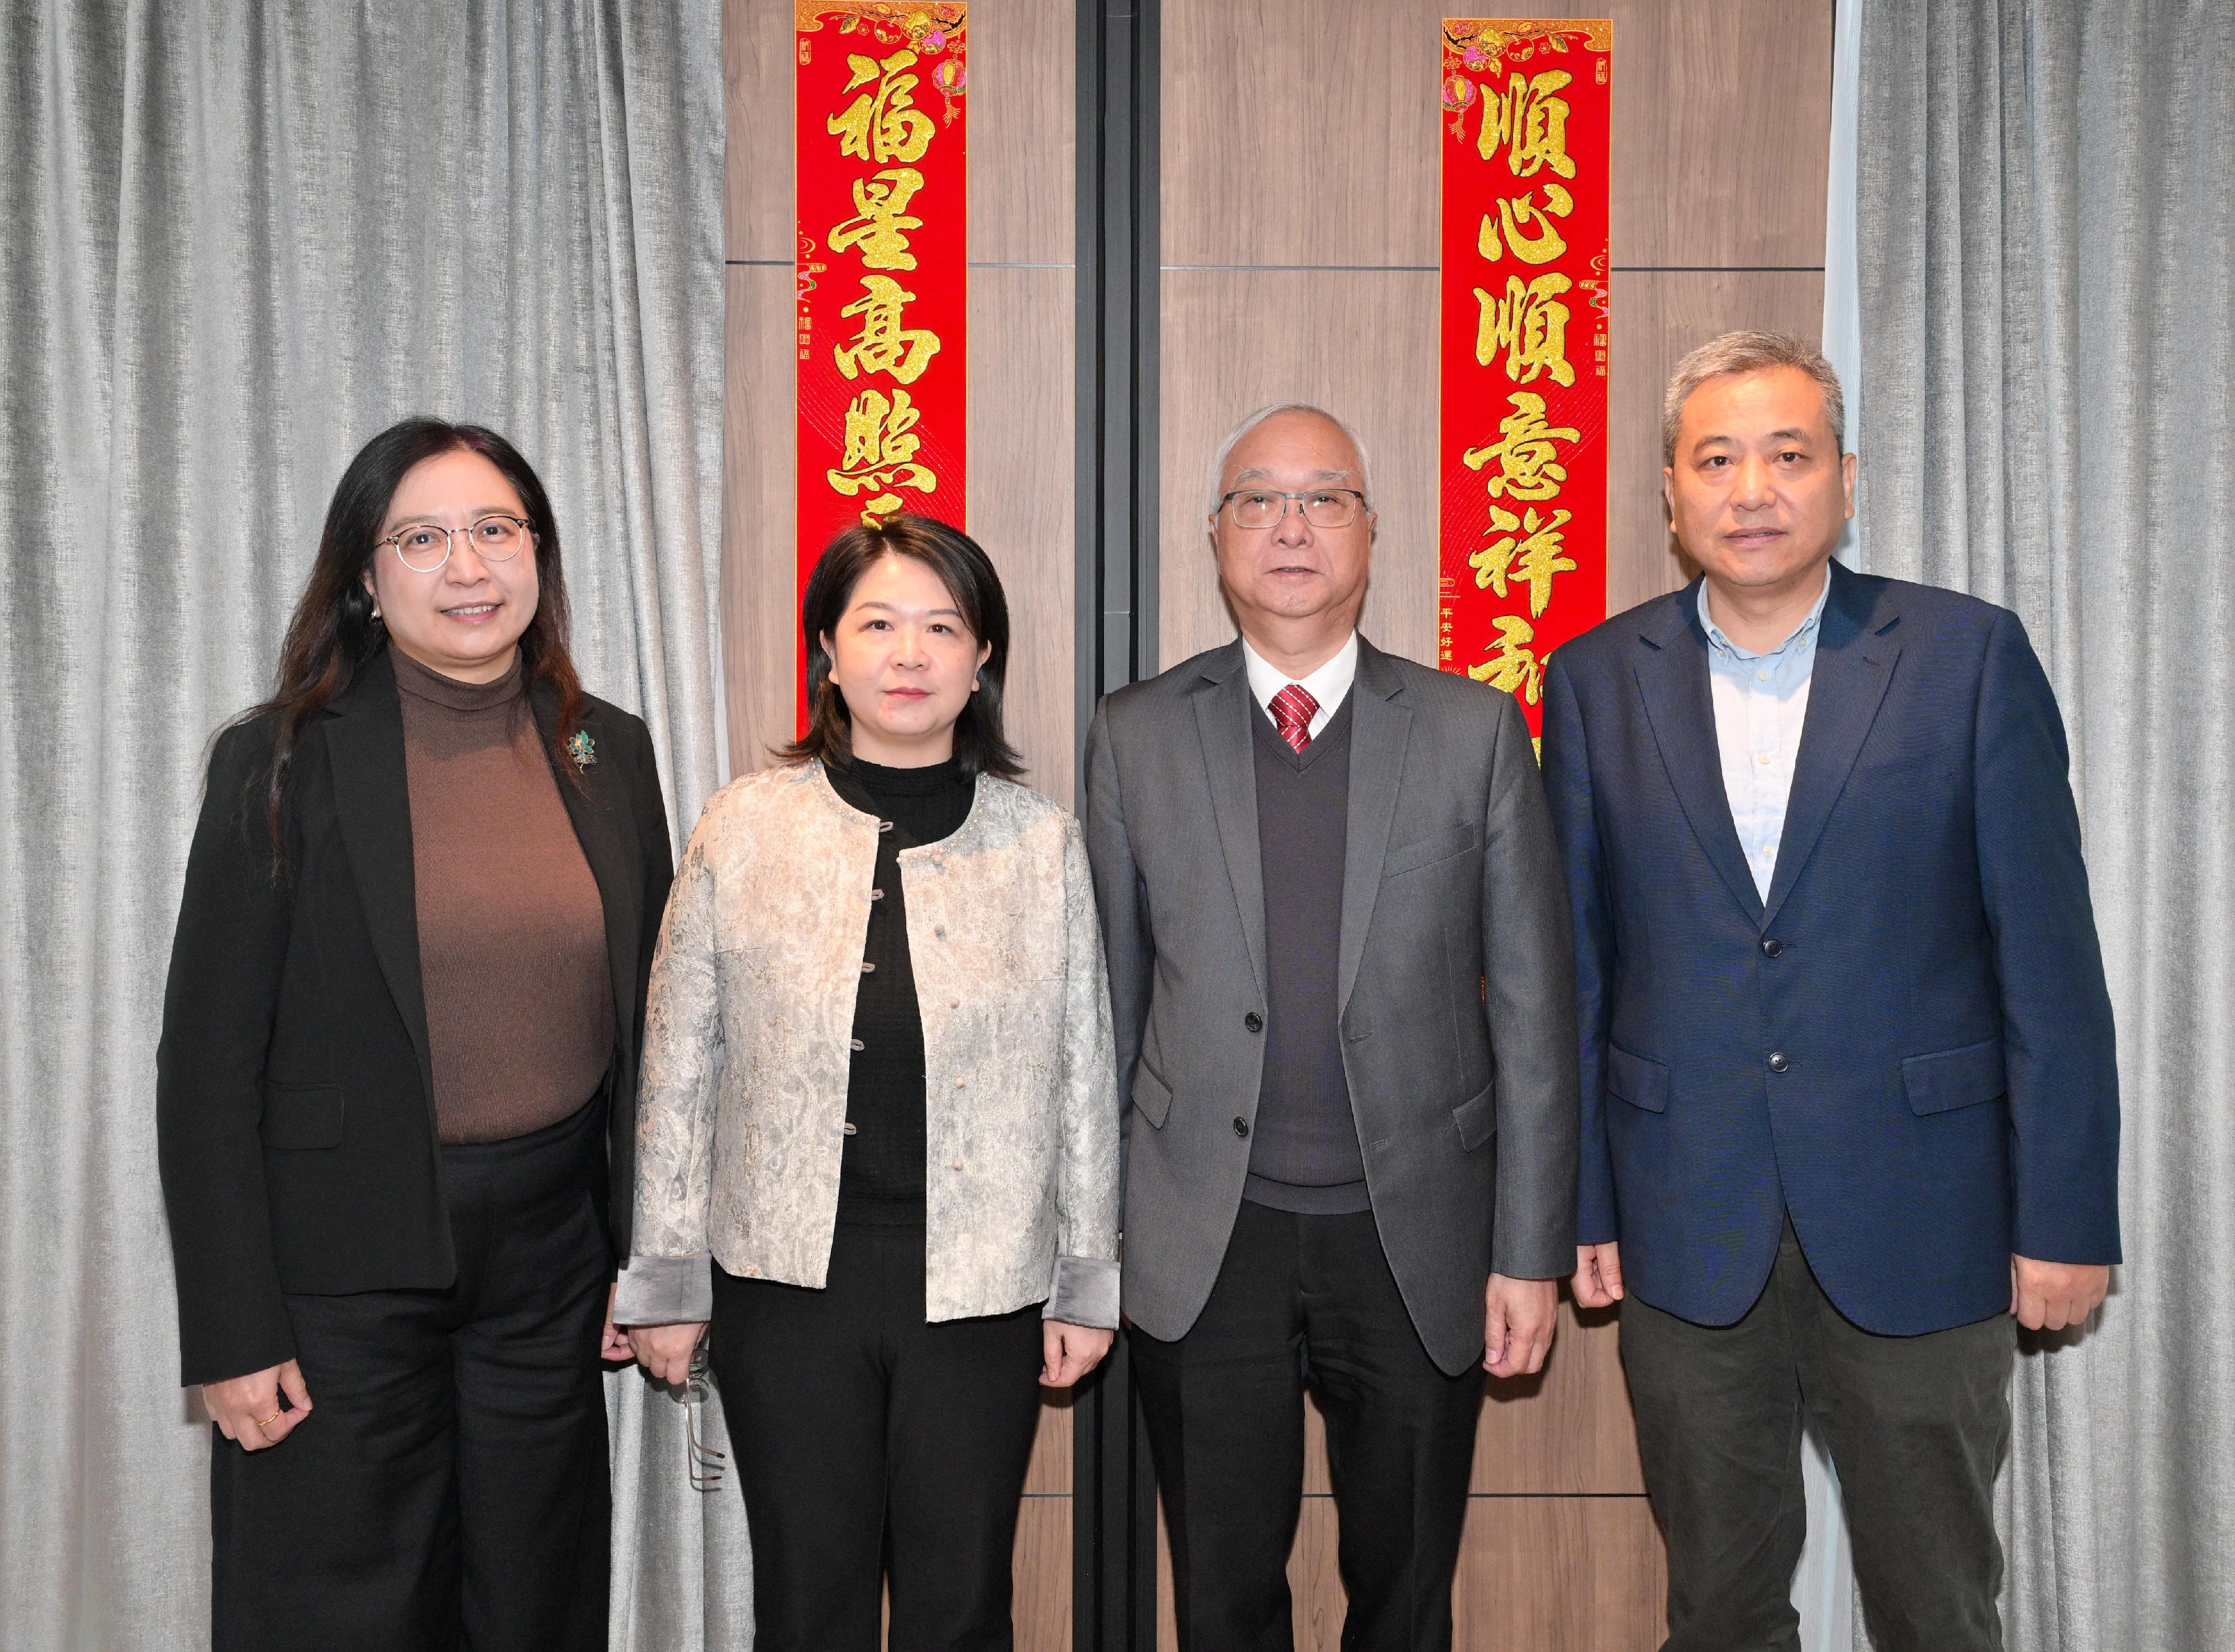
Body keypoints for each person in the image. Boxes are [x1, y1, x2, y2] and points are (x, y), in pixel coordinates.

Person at [1541, 332, 2120, 1651]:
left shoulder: (1964, 657)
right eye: (1716, 459)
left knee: (1935, 1604)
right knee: (1719, 1607)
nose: (1752, 489)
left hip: (1927, 1215)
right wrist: (1580, 1201)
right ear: (1671, 495)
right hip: (1685, 1217)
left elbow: (2049, 964)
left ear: (1844, 481)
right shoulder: (1590, 682)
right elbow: (1576, 969)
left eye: (1787, 456)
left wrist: (2065, 1215)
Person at [157, 418, 675, 1650]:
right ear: (365, 577)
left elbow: (653, 1033)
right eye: (424, 538)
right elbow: (206, 1069)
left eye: (496, 531)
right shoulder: (279, 761)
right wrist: (235, 1332)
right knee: (343, 1609)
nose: (467, 568)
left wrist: (641, 1252)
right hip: (341, 1268)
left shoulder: (606, 749)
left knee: (532, 1600)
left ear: (538, 558)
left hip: (550, 1265)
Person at [1083, 403, 1580, 1650]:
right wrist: (1090, 1248)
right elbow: (1104, 1007)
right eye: (1258, 498)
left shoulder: (1470, 731)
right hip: (1204, 1234)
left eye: (1323, 498)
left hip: (1411, 1233)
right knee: (1220, 1595)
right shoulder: (1135, 733)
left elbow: (1531, 1012)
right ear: (1214, 536)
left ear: (1369, 532)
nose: (1290, 527)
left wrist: (1525, 1252)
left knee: (1406, 1595)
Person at [616, 515, 1120, 1652]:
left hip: (978, 1289)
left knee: (959, 1606)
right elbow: (678, 1066)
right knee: (809, 1602)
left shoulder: (1039, 844)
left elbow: (1082, 1070)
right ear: (826, 652)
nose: (909, 654)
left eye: (942, 627)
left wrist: (1084, 1276)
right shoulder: (740, 829)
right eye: (878, 624)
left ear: (981, 655)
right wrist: (666, 1275)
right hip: (785, 1283)